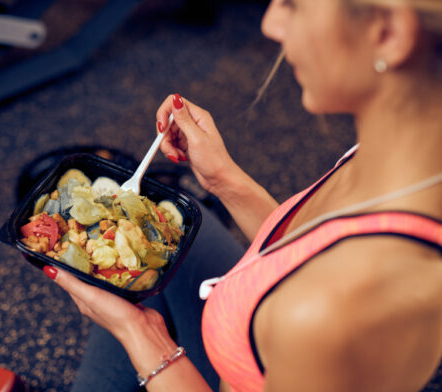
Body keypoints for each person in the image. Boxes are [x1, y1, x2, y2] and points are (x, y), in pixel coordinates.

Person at [42, 0, 442, 390]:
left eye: (292, 4)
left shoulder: (328, 314)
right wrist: (223, 179)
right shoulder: (409, 160)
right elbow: (307, 250)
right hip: (252, 345)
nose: (269, 24)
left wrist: (142, 337)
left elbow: (319, 286)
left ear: (388, 33)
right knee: (177, 220)